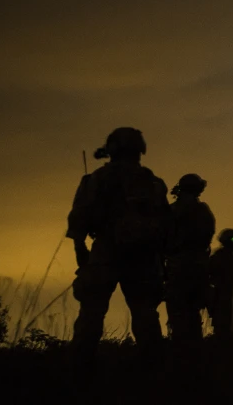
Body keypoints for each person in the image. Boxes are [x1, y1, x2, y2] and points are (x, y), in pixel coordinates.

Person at [66, 127, 171, 368]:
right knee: (145, 315)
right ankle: (155, 371)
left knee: (91, 313)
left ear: (112, 149)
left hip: (106, 251)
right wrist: (160, 259)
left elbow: (79, 216)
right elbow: (166, 224)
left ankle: (79, 370)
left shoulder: (97, 179)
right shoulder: (153, 183)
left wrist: (81, 249)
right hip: (144, 257)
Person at [165, 173, 216, 343]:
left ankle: (181, 348)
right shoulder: (203, 210)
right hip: (198, 266)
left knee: (178, 312)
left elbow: (162, 238)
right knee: (193, 311)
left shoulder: (171, 211)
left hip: (177, 266)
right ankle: (195, 349)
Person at [208, 229, 233, 337]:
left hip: (228, 297)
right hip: (222, 298)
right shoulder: (223, 257)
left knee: (228, 328)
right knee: (224, 330)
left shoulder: (226, 256)